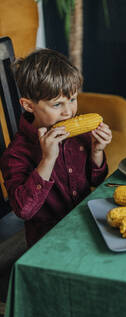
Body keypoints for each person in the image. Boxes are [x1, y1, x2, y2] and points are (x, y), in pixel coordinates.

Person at [0, 48, 112, 248]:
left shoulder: (80, 136)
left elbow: (97, 180)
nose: (68, 112)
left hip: (87, 225)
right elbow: (24, 210)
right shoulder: (16, 154)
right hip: (48, 242)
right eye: (57, 105)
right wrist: (47, 160)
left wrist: (97, 151)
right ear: (28, 106)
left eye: (72, 99)